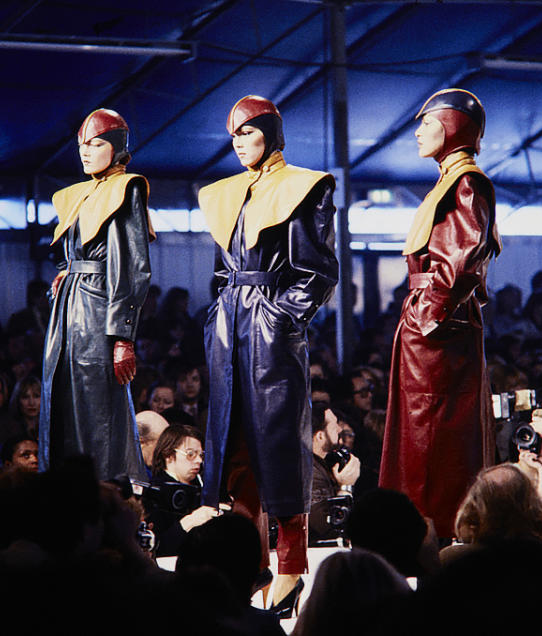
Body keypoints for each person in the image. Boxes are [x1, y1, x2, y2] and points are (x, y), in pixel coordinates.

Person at [199, 95, 338, 607]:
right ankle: (248, 563)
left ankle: (291, 568)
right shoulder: (224, 193)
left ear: (272, 133)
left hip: (269, 324)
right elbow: (220, 269)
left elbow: (319, 270)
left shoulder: (304, 187)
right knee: (234, 448)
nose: (239, 141)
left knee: (279, 450)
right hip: (229, 323)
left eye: (249, 132)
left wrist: (280, 319)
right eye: (233, 134)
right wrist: (216, 313)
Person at [379, 88, 501, 538]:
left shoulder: (465, 182)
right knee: (422, 437)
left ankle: (431, 539)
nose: (417, 132)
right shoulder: (452, 181)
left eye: (427, 122)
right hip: (433, 322)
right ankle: (426, 537)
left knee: (431, 440)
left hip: (437, 327)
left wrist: (427, 317)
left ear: (451, 126)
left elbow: (463, 258)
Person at [39, 108, 154, 481]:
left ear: (117, 147)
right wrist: (66, 271)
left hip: (97, 310)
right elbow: (82, 249)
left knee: (97, 411)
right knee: (60, 404)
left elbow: (131, 266)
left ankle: (104, 500)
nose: (86, 151)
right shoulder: (80, 195)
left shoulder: (126, 188)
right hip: (69, 308)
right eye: (82, 144)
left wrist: (123, 336)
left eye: (97, 143)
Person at [145, 425, 218, 556]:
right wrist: (191, 521)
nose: (199, 461)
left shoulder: (202, 488)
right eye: (190, 454)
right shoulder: (154, 492)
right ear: (168, 455)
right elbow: (157, 548)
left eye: (201, 455)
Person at [310, 404, 361, 544]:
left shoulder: (323, 465)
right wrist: (345, 487)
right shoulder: (309, 472)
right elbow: (327, 527)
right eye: (334, 426)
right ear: (320, 436)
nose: (340, 429)